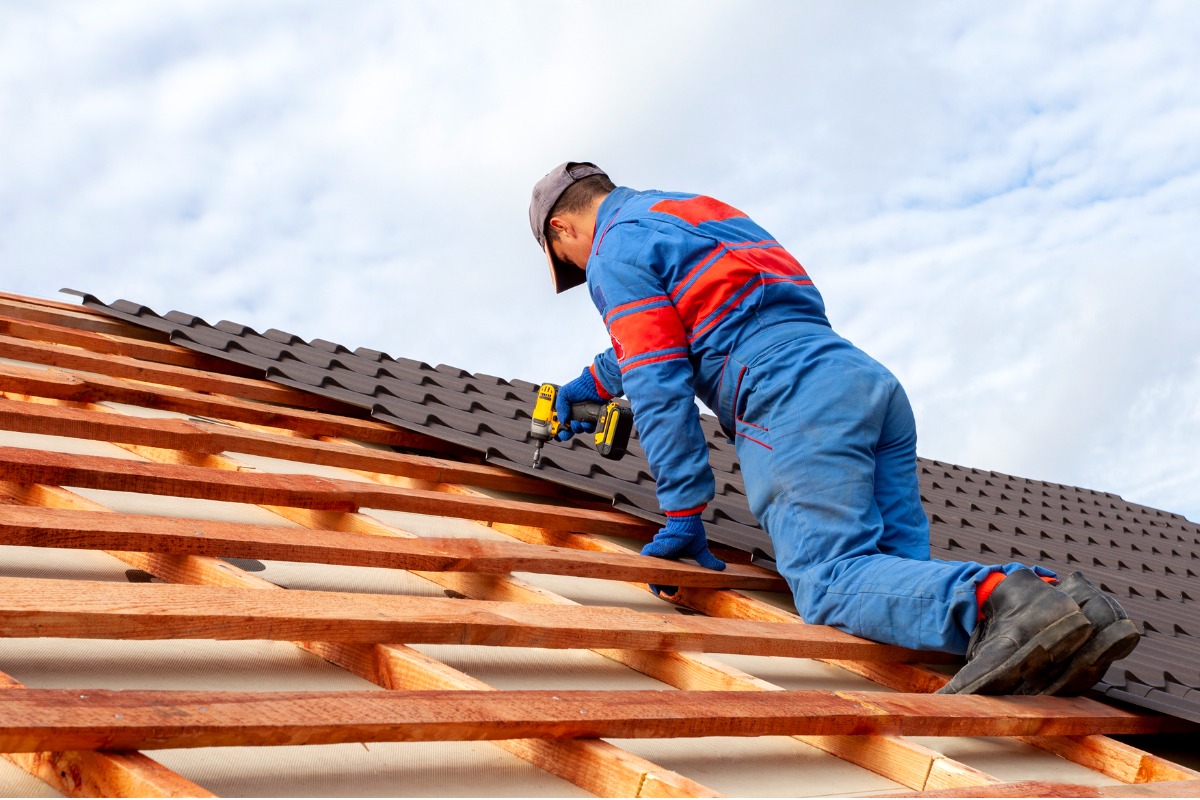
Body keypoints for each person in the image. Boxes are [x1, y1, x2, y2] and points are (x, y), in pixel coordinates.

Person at [528, 161, 1139, 695]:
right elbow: (690, 326)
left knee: (830, 583)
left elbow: (661, 389)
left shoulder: (613, 251)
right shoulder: (687, 210)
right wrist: (590, 383)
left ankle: (1010, 600)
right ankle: (1075, 604)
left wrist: (684, 517)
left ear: (563, 230)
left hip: (790, 395)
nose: (586, 271)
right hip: (857, 379)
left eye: (570, 263)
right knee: (896, 590)